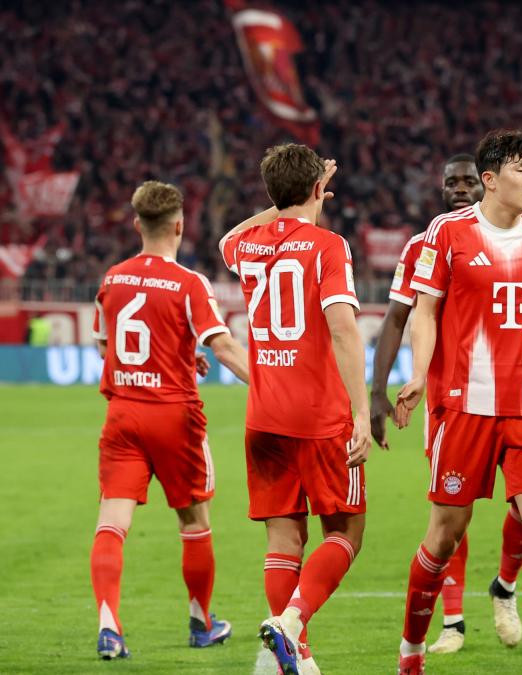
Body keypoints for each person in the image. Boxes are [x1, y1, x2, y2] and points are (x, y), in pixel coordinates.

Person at [392, 129, 522, 675]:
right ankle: (411, 649)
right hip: (465, 408)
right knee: (444, 537)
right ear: (491, 180)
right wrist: (418, 372)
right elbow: (425, 311)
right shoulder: (448, 233)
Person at [219, 145, 371, 675]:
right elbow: (343, 329)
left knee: (283, 538)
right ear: (318, 190)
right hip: (319, 417)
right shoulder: (329, 246)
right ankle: (290, 623)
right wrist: (362, 413)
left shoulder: (248, 245)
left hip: (263, 417)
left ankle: (296, 658)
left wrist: (285, 202)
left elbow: (226, 238)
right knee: (346, 532)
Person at [90, 180, 250, 659]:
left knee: (111, 523)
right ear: (179, 227)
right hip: (175, 418)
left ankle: (109, 628)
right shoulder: (189, 283)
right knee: (194, 520)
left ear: (137, 224)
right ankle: (202, 624)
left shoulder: (113, 278)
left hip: (123, 415)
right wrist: (273, 385)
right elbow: (224, 347)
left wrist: (172, 356)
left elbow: (105, 345)